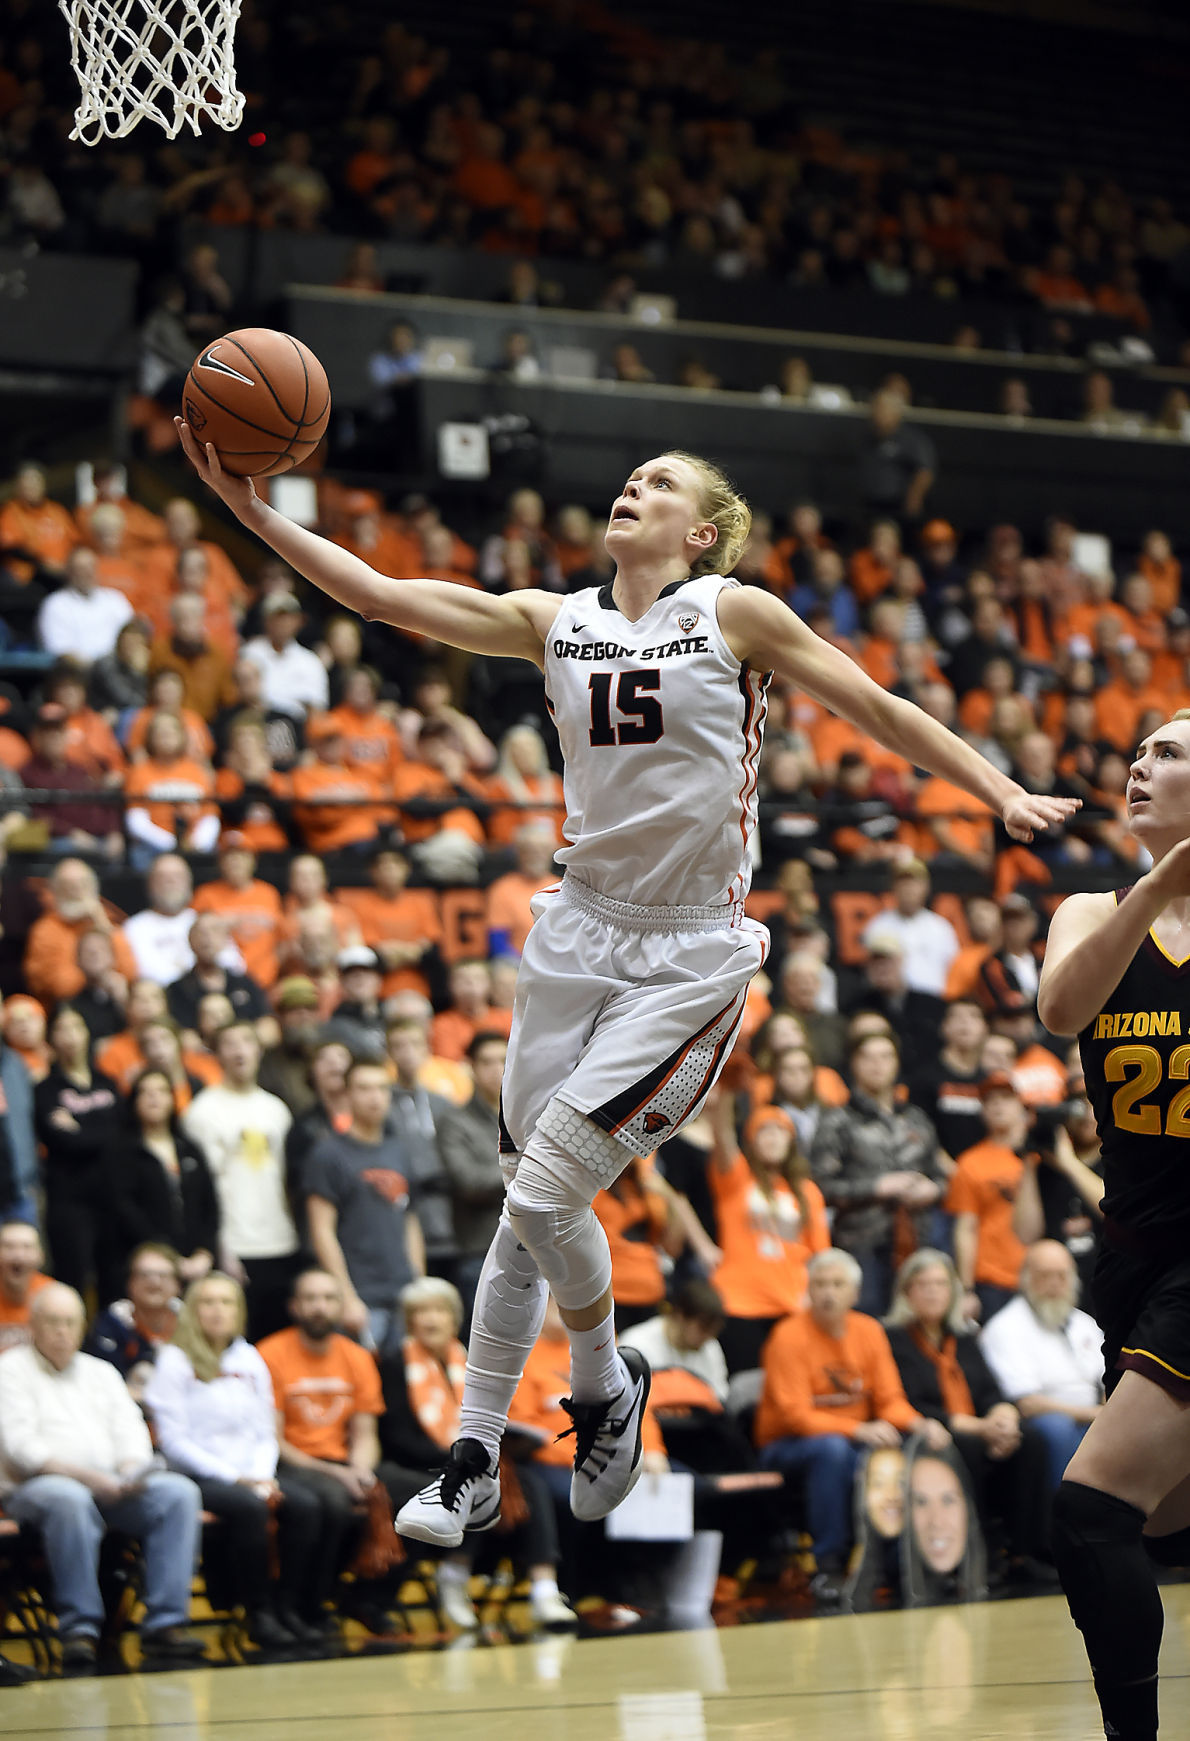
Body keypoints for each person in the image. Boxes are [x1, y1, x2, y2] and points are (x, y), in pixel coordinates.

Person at [175, 424, 1076, 1550]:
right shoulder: (555, 621)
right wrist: (254, 514)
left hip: (689, 950)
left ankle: (566, 1401)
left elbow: (876, 710)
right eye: (629, 476)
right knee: (526, 1200)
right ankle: (503, 1441)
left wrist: (996, 790)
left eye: (658, 485)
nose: (629, 488)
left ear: (699, 533)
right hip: (574, 934)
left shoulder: (730, 612)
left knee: (545, 1194)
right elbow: (380, 596)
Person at [1029, 701, 1190, 1738]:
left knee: (1089, 1509)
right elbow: (1059, 1011)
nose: (1137, 765)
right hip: (1130, 1255)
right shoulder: (1089, 910)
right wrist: (1155, 892)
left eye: (1168, 753)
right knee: (1156, 1522)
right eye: (1135, 751)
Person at [0, 1283, 206, 1669]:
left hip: (111, 1481)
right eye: (52, 1322)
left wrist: (130, 1471)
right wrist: (91, 1479)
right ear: (33, 1326)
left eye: (70, 1322)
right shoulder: (9, 1370)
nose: (62, 1331)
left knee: (178, 1493)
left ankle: (165, 1626)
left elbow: (131, 1433)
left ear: (82, 1328)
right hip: (35, 1486)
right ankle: (81, 1629)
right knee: (70, 1500)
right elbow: (21, 1449)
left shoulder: (102, 1371)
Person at [754, 1249, 949, 1603]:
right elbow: (794, 1416)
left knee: (901, 1451)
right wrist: (857, 1430)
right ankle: (828, 1565)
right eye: (820, 1284)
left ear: (855, 1293)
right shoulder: (788, 1335)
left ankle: (899, 1563)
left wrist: (920, 1424)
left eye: (837, 1285)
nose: (829, 1293)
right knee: (834, 1452)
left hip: (848, 1442)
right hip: (787, 1446)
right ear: (808, 1290)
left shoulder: (869, 1331)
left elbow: (890, 1400)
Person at [144, 1273, 323, 1648]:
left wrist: (260, 1474)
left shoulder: (248, 1356)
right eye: (207, 1302)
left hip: (251, 1471)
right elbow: (173, 1441)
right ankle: (256, 1613)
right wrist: (235, 1478)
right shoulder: (174, 1360)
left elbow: (264, 1428)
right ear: (193, 1311)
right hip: (198, 1475)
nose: (217, 1311)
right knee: (248, 1509)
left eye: (226, 1302)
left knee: (307, 1505)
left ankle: (288, 1606)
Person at [885, 1249, 1054, 1578]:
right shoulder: (893, 1340)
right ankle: (978, 1553)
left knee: (1032, 1439)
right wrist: (982, 1429)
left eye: (941, 1284)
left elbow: (990, 1391)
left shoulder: (964, 1337)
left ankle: (1027, 1551)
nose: (933, 1291)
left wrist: (1003, 1417)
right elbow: (914, 1403)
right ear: (907, 1292)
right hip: (928, 1433)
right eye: (923, 1284)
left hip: (978, 1428)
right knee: (967, 1446)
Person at [258, 1267, 408, 1636]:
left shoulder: (357, 1357)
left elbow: (365, 1432)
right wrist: (338, 1474)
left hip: (344, 1460)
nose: (319, 1308)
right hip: (291, 1461)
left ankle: (365, 1597)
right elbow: (273, 1439)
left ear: (342, 1306)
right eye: (310, 1299)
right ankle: (305, 1603)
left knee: (419, 1494)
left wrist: (360, 1469)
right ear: (294, 1307)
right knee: (332, 1502)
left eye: (328, 1299)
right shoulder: (269, 1354)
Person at [810, 1031, 944, 1317]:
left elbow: (940, 1176)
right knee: (868, 1322)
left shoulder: (916, 1118)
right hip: (862, 1244)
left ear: (896, 1063)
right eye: (867, 1057)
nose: (877, 1064)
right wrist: (877, 1186)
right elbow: (820, 1187)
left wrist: (933, 1189)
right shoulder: (837, 1119)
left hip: (917, 1242)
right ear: (853, 1064)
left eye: (886, 1056)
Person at [181, 1023, 300, 1339]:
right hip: (234, 1244)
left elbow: (288, 1179)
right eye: (229, 1044)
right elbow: (203, 1191)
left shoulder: (276, 1109)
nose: (239, 1050)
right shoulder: (203, 1111)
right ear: (217, 1055)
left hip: (280, 1241)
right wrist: (222, 1247)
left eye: (246, 1041)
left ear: (259, 1051)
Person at [304, 1058, 425, 1355]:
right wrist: (345, 1296)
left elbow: (409, 1219)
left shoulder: (398, 1149)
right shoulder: (328, 1153)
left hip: (403, 1291)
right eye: (364, 1088)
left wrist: (419, 1284)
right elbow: (321, 1231)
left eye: (382, 1088)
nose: (375, 1097)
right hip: (360, 1293)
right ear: (346, 1094)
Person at [707, 1099, 830, 1373]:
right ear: (751, 1142)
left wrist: (810, 1302)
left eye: (780, 1130)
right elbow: (723, 1137)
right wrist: (725, 1095)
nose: (772, 1137)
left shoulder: (808, 1191)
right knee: (745, 1389)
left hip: (791, 1306)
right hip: (739, 1305)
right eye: (764, 1131)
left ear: (791, 1141)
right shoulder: (736, 1179)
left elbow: (820, 1256)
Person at [978, 1241, 1104, 1494]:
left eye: (1062, 1275)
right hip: (1041, 1420)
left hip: (1093, 1414)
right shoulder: (1006, 1327)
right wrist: (1095, 1414)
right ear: (1026, 1279)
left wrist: (1107, 1412)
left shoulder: (1084, 1322)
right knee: (1057, 1427)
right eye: (1045, 1275)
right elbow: (1028, 1403)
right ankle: (1064, 1516)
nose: (1055, 1283)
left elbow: (1107, 1380)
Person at [34, 1004, 123, 1302]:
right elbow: (63, 1142)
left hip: (112, 1197)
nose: (70, 1036)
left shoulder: (107, 1082)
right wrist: (99, 1131)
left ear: (88, 1033)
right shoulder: (45, 1089)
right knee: (72, 1281)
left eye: (76, 1026)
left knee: (115, 1281)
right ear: (51, 1039)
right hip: (69, 1201)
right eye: (61, 1028)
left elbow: (122, 1136)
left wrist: (79, 1129)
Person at [111, 1069, 220, 1284]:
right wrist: (166, 1258)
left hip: (197, 1263)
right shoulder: (120, 1151)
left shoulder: (189, 1148)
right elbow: (124, 1209)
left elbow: (210, 1204)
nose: (154, 1098)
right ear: (133, 1100)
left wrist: (206, 1252)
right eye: (146, 1092)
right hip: (145, 1265)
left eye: (161, 1091)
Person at [436, 1032, 509, 1319]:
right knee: (486, 1344)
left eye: (503, 1061)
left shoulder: (528, 1115)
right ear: (471, 1068)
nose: (496, 1069)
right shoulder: (455, 1121)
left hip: (534, 1244)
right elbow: (469, 1182)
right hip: (480, 1249)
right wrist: (527, 1168)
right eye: (486, 1062)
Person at [87, 1243, 183, 1396]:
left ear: (177, 1284)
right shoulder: (111, 1324)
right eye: (144, 1274)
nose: (154, 1282)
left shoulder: (191, 1321)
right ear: (130, 1283)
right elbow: (103, 1384)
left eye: (163, 1276)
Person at [0, 1222, 52, 1352]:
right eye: (9, 1246)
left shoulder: (53, 1297)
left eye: (27, 1247)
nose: (18, 1255)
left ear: (41, 1256)